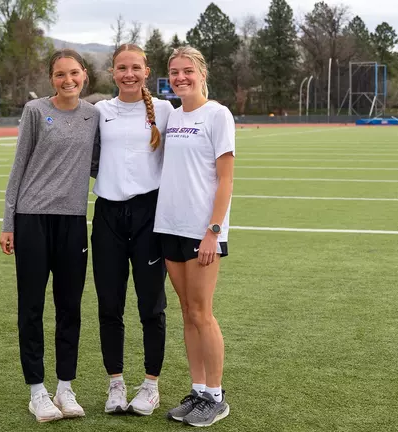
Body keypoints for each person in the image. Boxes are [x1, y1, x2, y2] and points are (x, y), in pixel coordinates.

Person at [0, 48, 100, 424]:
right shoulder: (36, 111)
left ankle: (65, 388)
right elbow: (18, 166)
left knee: (70, 307)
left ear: (85, 75)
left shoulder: (94, 116)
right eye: (60, 74)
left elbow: (99, 166)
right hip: (32, 219)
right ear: (51, 78)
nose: (68, 80)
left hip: (73, 221)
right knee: (32, 307)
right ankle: (37, 391)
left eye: (74, 73)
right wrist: (8, 223)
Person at [90, 43, 174, 416]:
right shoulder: (99, 112)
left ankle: (151, 385)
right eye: (121, 68)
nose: (128, 74)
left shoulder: (166, 111)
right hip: (107, 214)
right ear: (112, 72)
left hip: (149, 216)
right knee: (110, 305)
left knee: (151, 306)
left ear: (146, 70)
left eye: (135, 68)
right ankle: (116, 384)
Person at [154, 46, 235, 427]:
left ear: (202, 74)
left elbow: (226, 179)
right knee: (186, 312)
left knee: (203, 312)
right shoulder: (171, 115)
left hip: (202, 233)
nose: (180, 77)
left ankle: (216, 397)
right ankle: (198, 390)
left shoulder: (217, 115)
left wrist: (213, 232)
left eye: (188, 71)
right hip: (169, 225)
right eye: (174, 72)